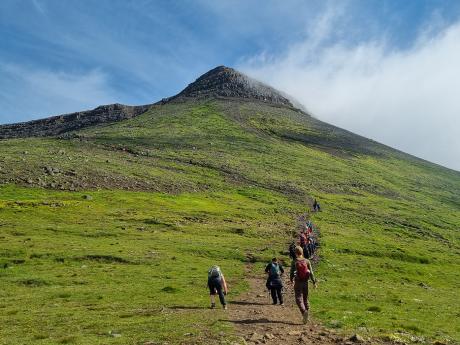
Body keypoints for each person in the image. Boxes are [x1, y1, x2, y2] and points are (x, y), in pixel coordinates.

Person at [290, 246, 317, 324]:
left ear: (295, 253)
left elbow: (292, 272)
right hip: (306, 282)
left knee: (298, 298)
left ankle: (304, 312)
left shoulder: (294, 261)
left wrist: (291, 280)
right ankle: (307, 313)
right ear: (302, 252)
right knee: (305, 298)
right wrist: (314, 282)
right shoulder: (307, 261)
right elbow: (311, 273)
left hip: (298, 282)